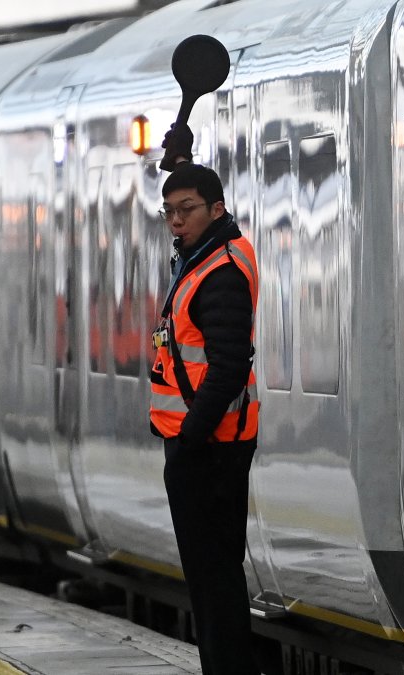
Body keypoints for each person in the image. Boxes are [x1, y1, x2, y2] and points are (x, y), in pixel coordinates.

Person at [149, 123, 260, 675]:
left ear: (216, 209)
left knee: (214, 575)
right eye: (169, 210)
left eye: (187, 209)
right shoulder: (201, 258)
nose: (176, 219)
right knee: (209, 575)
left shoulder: (221, 272)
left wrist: (192, 434)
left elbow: (229, 365)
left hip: (211, 446)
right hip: (201, 442)